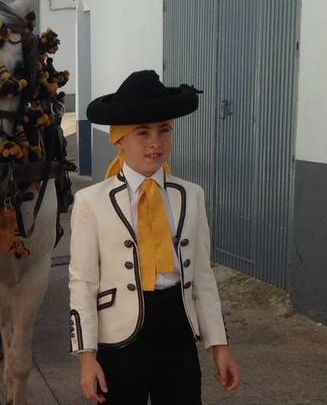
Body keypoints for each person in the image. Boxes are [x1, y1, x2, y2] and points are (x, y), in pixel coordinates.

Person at [68, 70, 241, 404]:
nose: (155, 142)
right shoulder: (92, 202)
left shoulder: (190, 195)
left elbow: (202, 276)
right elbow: (83, 283)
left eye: (164, 130)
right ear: (119, 140)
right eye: (142, 132)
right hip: (119, 337)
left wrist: (219, 346)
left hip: (177, 327)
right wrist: (86, 357)